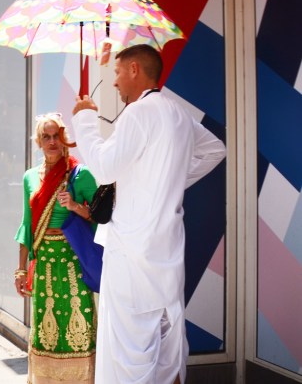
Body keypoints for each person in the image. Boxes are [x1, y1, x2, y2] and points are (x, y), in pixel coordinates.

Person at [71, 44, 227, 384]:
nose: (114, 82)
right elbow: (217, 149)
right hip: (166, 254)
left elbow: (102, 168)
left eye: (116, 72)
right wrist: (167, 180)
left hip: (132, 255)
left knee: (129, 353)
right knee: (168, 349)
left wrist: (83, 117)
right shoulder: (176, 113)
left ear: (134, 70)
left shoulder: (139, 113)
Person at [14, 113, 98, 384]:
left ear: (65, 140)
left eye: (57, 136)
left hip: (73, 261)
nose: (52, 142)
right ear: (38, 141)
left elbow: (101, 216)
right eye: (46, 137)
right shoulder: (30, 177)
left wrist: (74, 206)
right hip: (44, 264)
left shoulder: (79, 174)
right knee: (45, 332)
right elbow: (27, 226)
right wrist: (20, 269)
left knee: (78, 326)